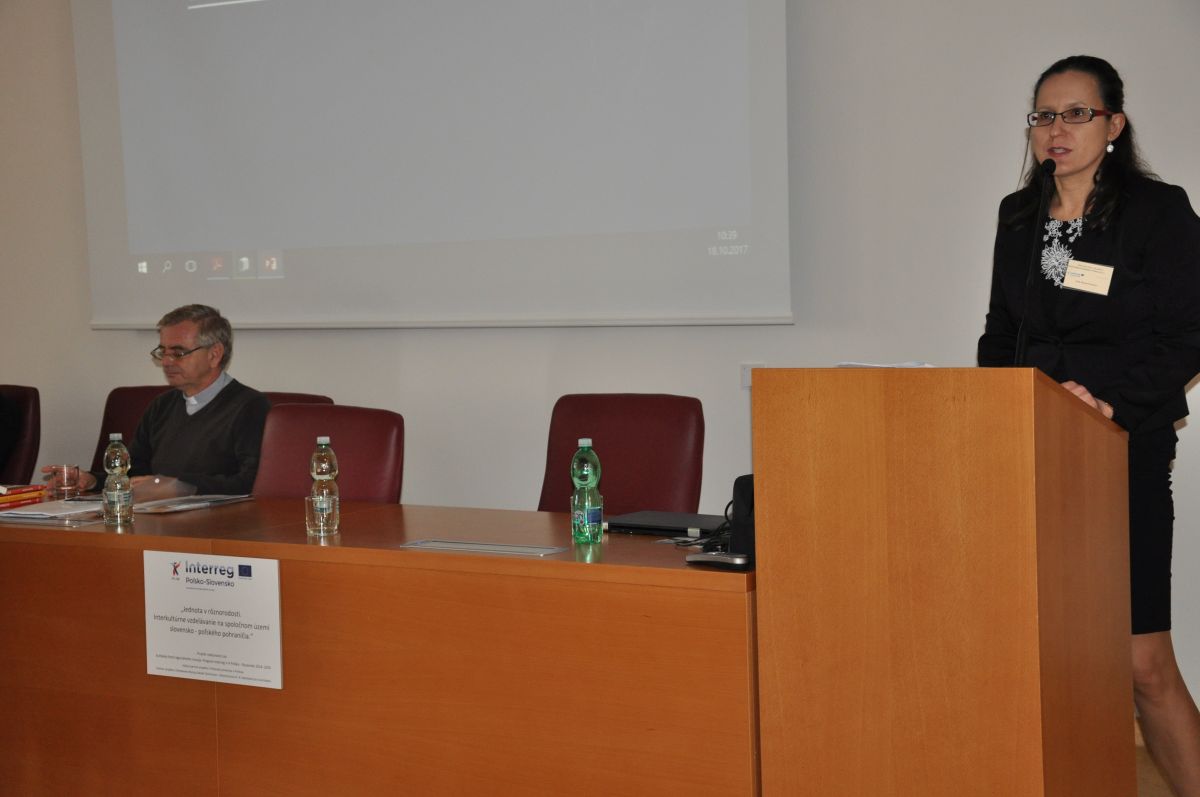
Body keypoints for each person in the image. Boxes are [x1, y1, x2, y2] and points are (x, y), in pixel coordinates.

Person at [978, 55, 1200, 794]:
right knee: (1047, 656)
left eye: (1077, 113)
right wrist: (1001, 413)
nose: (1057, 128)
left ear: (1114, 124)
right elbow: (1000, 332)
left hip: (1122, 450)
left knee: (1142, 661)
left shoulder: (1156, 212)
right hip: (1033, 455)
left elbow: (1188, 334)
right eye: (1044, 115)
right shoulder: (1018, 216)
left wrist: (1109, 407)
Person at [61, 305, 270, 501]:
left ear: (214, 355)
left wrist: (182, 487)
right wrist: (93, 480)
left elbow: (251, 483)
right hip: (156, 517)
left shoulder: (251, 407)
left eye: (178, 353)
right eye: (163, 352)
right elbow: (135, 472)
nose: (166, 362)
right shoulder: (162, 405)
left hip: (219, 522)